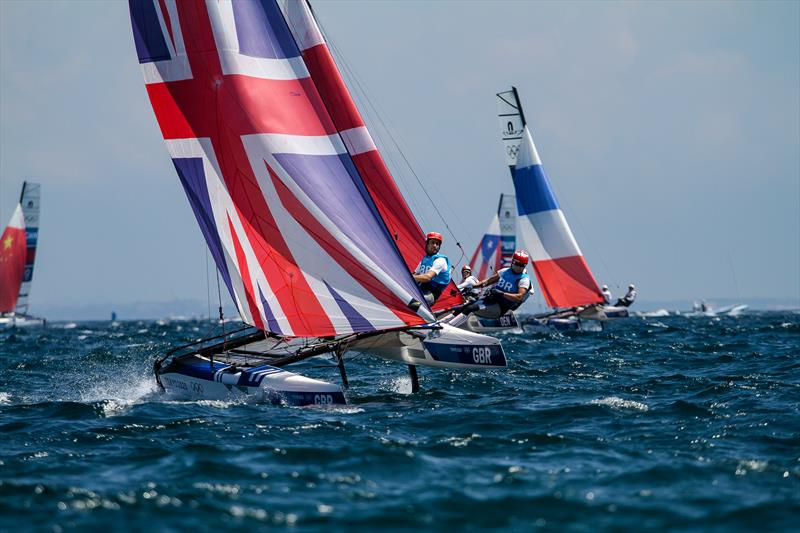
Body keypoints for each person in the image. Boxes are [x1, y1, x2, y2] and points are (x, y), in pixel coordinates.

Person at [451, 250, 533, 322]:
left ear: (525, 265)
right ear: (512, 261)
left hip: (498, 308)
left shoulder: (524, 280)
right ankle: (445, 323)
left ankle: (450, 327)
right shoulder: (504, 271)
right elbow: (487, 281)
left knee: (470, 308)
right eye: (516, 263)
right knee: (462, 306)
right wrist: (473, 286)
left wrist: (501, 294)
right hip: (488, 300)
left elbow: (519, 297)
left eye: (521, 265)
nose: (518, 267)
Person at [413, 232, 451, 305]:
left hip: (430, 294)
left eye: (437, 244)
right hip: (420, 288)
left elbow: (427, 277)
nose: (435, 246)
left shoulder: (440, 260)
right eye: (432, 243)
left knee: (413, 302)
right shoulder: (425, 259)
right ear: (427, 244)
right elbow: (415, 273)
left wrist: (410, 277)